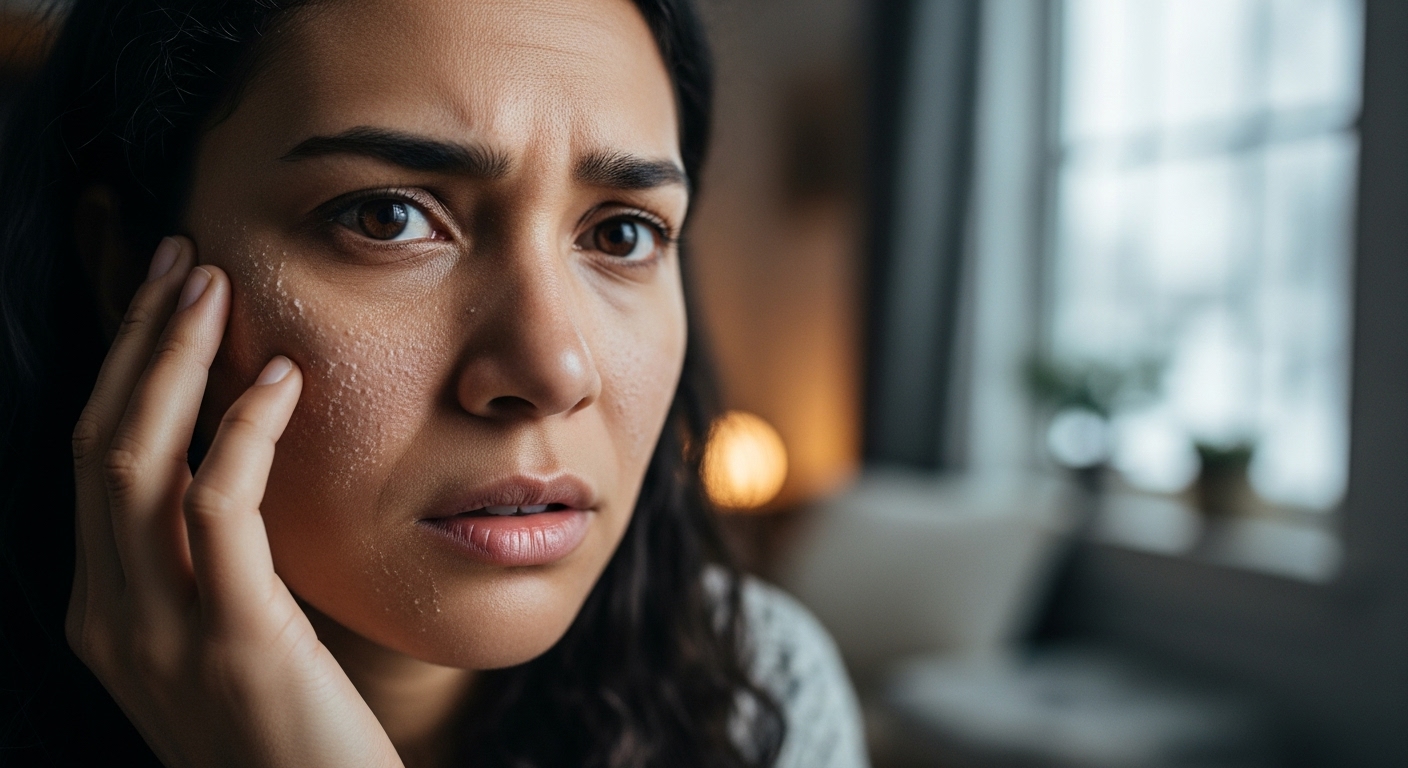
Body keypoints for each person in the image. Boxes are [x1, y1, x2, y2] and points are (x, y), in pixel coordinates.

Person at [0, 1, 869, 766]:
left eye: (622, 234)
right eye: (389, 217)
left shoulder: (753, 693)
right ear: (125, 272)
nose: (552, 370)